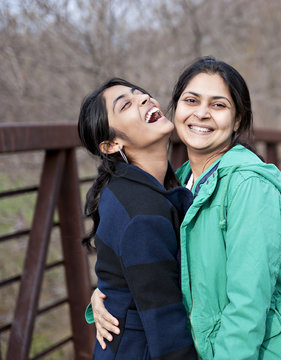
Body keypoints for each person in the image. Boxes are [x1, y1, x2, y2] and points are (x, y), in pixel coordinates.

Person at [91, 56, 281, 359]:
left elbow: (247, 305)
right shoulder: (181, 184)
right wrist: (105, 297)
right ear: (176, 108)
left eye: (218, 105)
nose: (202, 114)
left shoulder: (249, 186)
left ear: (237, 121)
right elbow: (158, 266)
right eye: (191, 100)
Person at [78, 78, 197, 359]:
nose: (145, 99)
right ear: (110, 144)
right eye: (126, 104)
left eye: (141, 94)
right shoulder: (141, 212)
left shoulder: (127, 185)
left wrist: (105, 290)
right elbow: (166, 326)